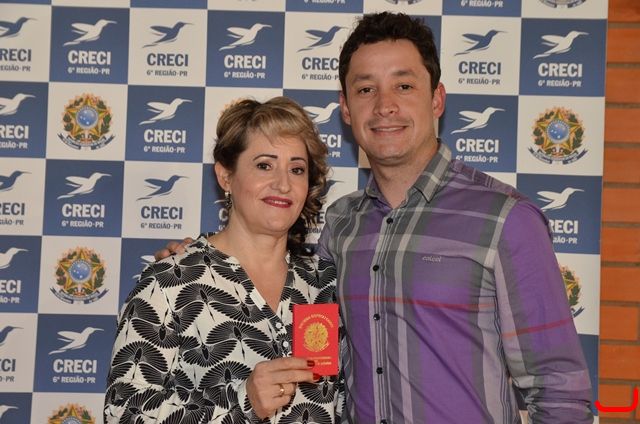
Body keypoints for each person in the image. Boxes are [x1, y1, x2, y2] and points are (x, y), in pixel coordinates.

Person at [157, 12, 594, 423]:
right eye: (366, 89)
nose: (385, 105)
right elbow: (298, 325)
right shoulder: (342, 224)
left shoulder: (506, 219)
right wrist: (197, 264)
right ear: (346, 109)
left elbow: (559, 390)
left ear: (437, 99)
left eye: (404, 86)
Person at [105, 97, 345, 424]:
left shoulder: (325, 282)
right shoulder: (169, 282)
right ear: (226, 176)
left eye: (297, 169)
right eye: (264, 165)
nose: (283, 184)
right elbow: (122, 413)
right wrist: (242, 403)